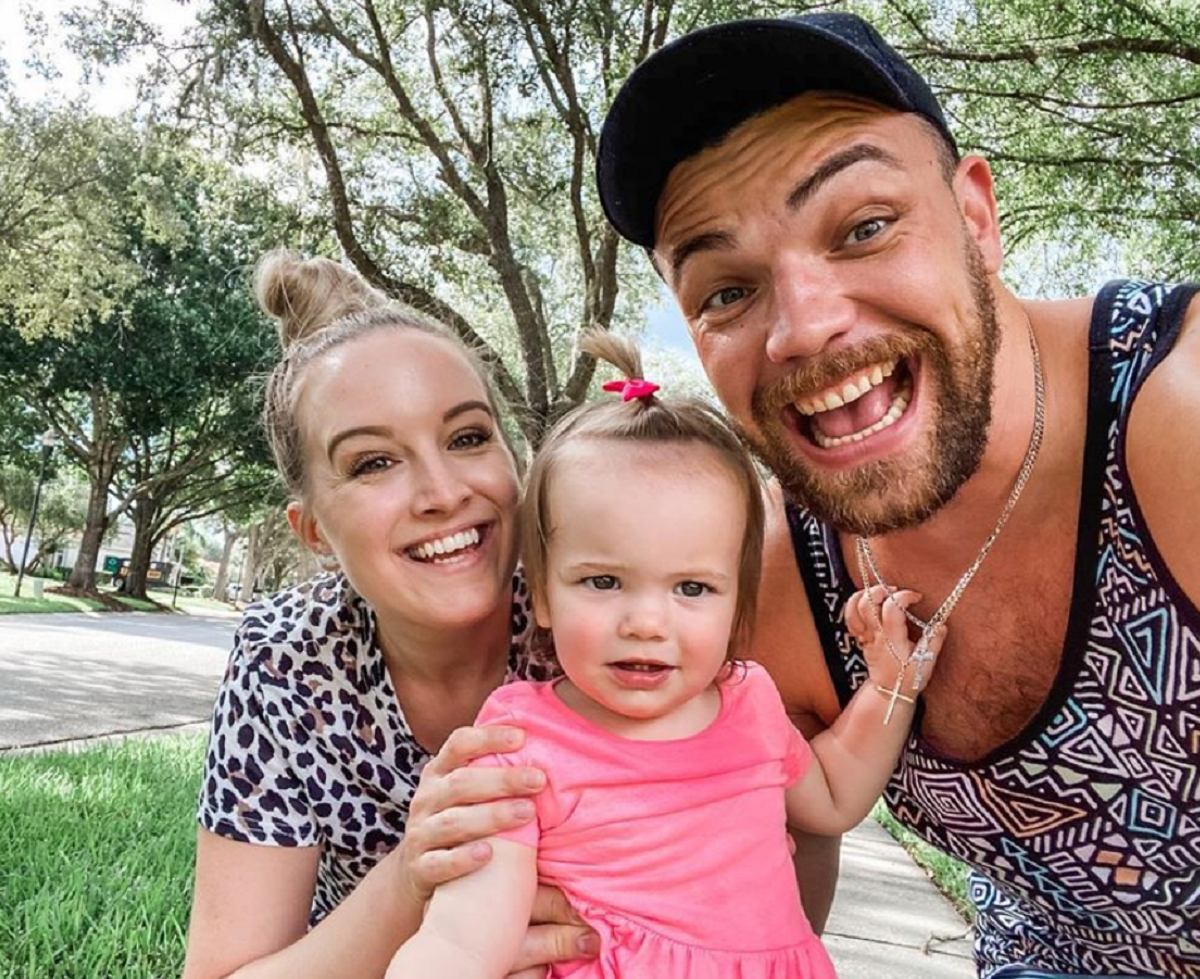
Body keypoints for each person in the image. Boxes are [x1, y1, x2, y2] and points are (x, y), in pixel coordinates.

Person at [595, 10, 1200, 979]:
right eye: (727, 291)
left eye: (864, 227)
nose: (803, 327)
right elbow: (771, 872)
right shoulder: (774, 582)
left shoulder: (1175, 416)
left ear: (976, 218)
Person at [386, 333, 944, 978]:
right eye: (603, 581)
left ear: (737, 604)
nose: (647, 624)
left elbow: (835, 798)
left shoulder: (749, 703)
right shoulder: (522, 741)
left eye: (692, 589)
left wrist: (890, 685)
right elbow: (464, 938)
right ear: (541, 594)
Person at [181, 252, 598, 979]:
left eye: (468, 438)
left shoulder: (600, 617)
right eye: (374, 462)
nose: (442, 492)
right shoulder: (287, 659)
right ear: (314, 529)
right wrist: (412, 877)